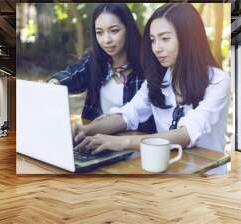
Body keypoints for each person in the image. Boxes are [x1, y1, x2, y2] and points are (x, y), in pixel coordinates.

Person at [74, 3, 230, 174]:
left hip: (206, 176)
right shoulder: (157, 79)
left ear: (188, 38)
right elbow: (128, 114)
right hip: (168, 171)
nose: (157, 48)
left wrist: (122, 142)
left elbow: (186, 135)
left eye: (165, 38)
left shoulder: (217, 81)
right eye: (153, 40)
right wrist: (85, 130)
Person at [47, 3, 156, 134]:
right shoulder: (94, 59)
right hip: (93, 140)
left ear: (128, 29)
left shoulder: (148, 65)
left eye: (114, 30)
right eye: (99, 32)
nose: (106, 40)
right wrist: (53, 84)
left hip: (135, 144)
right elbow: (71, 75)